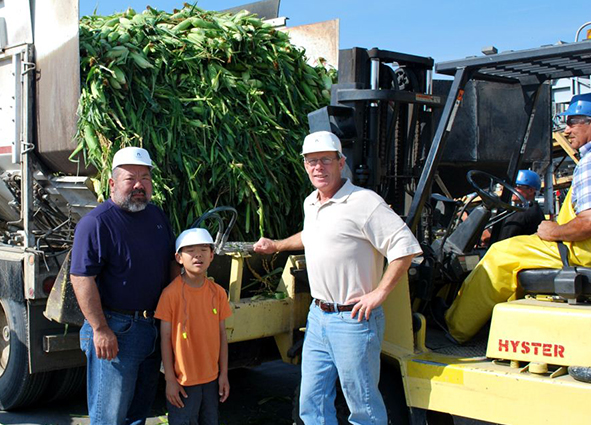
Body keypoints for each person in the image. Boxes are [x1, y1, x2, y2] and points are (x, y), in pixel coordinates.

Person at [253, 131, 422, 425]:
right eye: (312, 161)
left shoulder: (365, 203)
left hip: (353, 321)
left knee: (363, 406)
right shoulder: (311, 203)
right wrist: (278, 245)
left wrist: (379, 293)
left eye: (326, 160)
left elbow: (404, 248)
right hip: (318, 317)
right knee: (312, 401)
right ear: (305, 166)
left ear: (341, 162)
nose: (319, 167)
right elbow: (314, 235)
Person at [446, 93, 591, 343]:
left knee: (500, 255)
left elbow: (588, 222)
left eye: (572, 123)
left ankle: (454, 329)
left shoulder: (589, 163)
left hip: (580, 251)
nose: (566, 131)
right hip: (579, 248)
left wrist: (552, 231)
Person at [70, 146, 176, 425]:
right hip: (116, 330)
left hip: (152, 327)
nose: (139, 185)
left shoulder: (156, 217)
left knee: (137, 412)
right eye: (131, 178)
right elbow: (81, 278)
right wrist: (100, 329)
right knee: (109, 416)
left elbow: (170, 265)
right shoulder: (96, 223)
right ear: (113, 183)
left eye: (145, 177)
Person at [155, 228, 231, 425]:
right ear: (179, 258)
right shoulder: (170, 295)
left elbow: (222, 335)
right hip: (183, 382)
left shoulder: (219, 293)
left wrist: (223, 374)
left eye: (204, 250)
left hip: (211, 379)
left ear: (212, 255)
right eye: (190, 250)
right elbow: (165, 340)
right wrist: (170, 380)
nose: (198, 255)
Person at [479, 169, 545, 246]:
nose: (511, 190)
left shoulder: (524, 213)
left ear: (530, 190)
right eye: (511, 186)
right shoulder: (535, 209)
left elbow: (498, 242)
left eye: (517, 186)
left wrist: (472, 223)